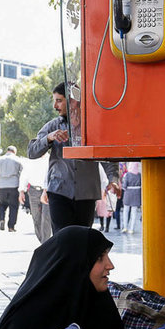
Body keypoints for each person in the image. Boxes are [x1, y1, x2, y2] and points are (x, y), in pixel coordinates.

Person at [27, 83, 104, 232]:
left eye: (59, 100)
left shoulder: (92, 126)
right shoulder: (52, 126)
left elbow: (105, 151)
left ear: (73, 101)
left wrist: (113, 179)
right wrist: (49, 138)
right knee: (61, 239)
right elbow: (31, 152)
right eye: (54, 100)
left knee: (82, 241)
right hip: (59, 192)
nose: (55, 106)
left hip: (86, 193)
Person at [19, 154, 52, 243]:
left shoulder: (50, 158)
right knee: (36, 217)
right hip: (33, 191)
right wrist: (21, 191)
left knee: (46, 217)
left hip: (47, 191)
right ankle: (43, 241)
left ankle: (45, 243)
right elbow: (24, 175)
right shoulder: (30, 159)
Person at [0, 145, 23, 232]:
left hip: (2, 186)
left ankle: (2, 219)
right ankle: (11, 227)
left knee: (2, 204)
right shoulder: (18, 160)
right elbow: (22, 174)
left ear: (7, 151)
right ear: (14, 152)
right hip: (14, 186)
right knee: (13, 206)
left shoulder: (0, 160)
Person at [121, 162, 142, 235]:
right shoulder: (139, 175)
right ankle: (132, 229)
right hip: (137, 194)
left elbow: (124, 186)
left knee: (125, 211)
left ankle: (125, 227)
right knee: (134, 212)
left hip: (128, 194)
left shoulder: (127, 175)